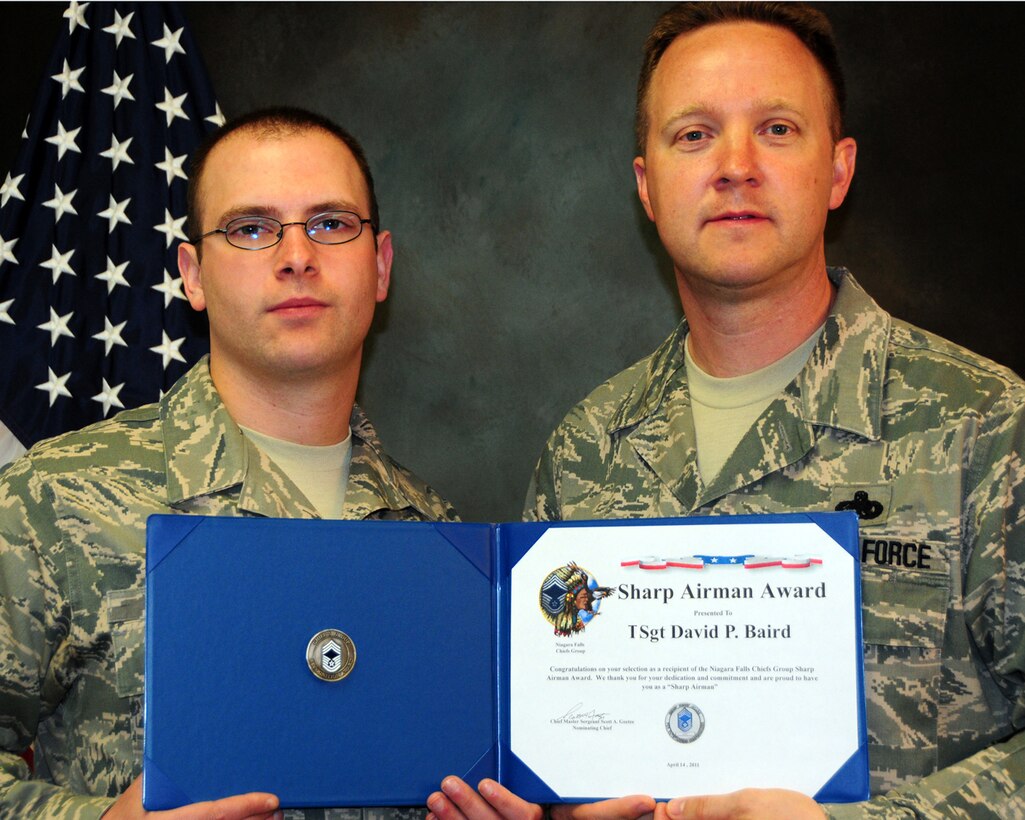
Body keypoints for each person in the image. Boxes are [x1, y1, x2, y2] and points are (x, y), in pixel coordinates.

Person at [427, 3, 1025, 819]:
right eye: (693, 134)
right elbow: (542, 742)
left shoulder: (985, 425)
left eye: (776, 129)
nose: (735, 165)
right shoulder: (586, 451)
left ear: (839, 169)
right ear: (646, 184)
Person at [0, 107, 455, 819]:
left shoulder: (440, 539)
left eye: (331, 224)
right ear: (194, 275)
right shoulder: (53, 498)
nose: (297, 256)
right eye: (251, 229)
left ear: (380, 266)